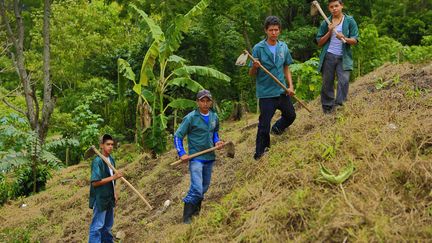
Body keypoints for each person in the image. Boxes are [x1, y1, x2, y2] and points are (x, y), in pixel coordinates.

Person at [249, 16, 296, 161]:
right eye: (271, 30)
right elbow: (251, 74)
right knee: (264, 124)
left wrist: (290, 86)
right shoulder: (258, 48)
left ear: (279, 31)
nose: (274, 33)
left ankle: (277, 128)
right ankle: (260, 153)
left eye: (276, 30)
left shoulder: (283, 47)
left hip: (282, 90)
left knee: (291, 115)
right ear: (266, 31)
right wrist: (255, 67)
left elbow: (286, 67)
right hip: (266, 93)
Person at [173, 89, 225, 224]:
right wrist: (182, 153)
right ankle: (187, 219)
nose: (205, 103)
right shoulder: (190, 118)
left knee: (204, 187)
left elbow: (214, 134)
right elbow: (178, 136)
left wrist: (217, 142)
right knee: (196, 188)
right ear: (197, 102)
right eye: (203, 100)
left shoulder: (214, 117)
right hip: (196, 158)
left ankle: (196, 215)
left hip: (209, 157)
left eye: (208, 101)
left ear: (211, 102)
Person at [316, 0, 359, 113]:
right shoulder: (326, 22)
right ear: (329, 9)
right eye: (331, 7)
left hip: (343, 57)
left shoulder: (349, 21)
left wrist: (344, 38)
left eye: (336, 6)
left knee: (344, 81)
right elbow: (319, 42)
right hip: (328, 56)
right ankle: (327, 108)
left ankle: (340, 106)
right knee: (327, 83)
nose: (334, 8)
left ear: (341, 6)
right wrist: (329, 32)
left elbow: (355, 40)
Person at [88, 134, 123, 243]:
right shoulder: (97, 161)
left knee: (107, 225)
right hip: (100, 199)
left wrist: (115, 192)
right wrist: (113, 177)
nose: (111, 147)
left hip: (109, 197)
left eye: (112, 144)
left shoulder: (111, 159)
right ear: (101, 145)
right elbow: (95, 183)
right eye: (108, 144)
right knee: (97, 226)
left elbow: (113, 180)